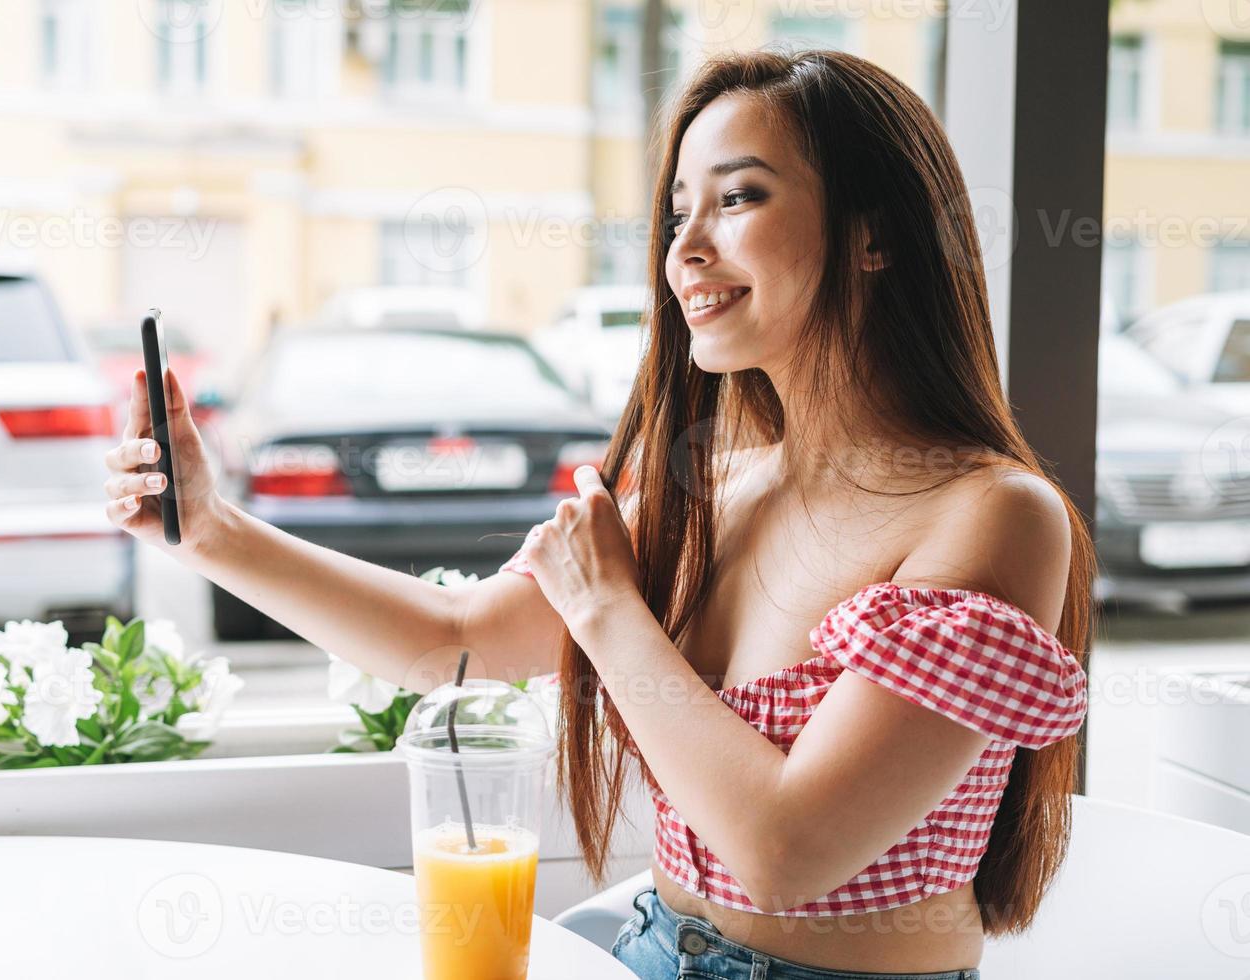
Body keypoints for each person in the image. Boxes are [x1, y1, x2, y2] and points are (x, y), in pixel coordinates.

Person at [102, 47, 1092, 980]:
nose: (685, 251)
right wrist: (212, 527)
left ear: (874, 235)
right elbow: (450, 644)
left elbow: (788, 851)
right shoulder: (708, 491)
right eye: (676, 215)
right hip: (651, 946)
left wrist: (609, 607)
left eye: (738, 197)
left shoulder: (993, 515)